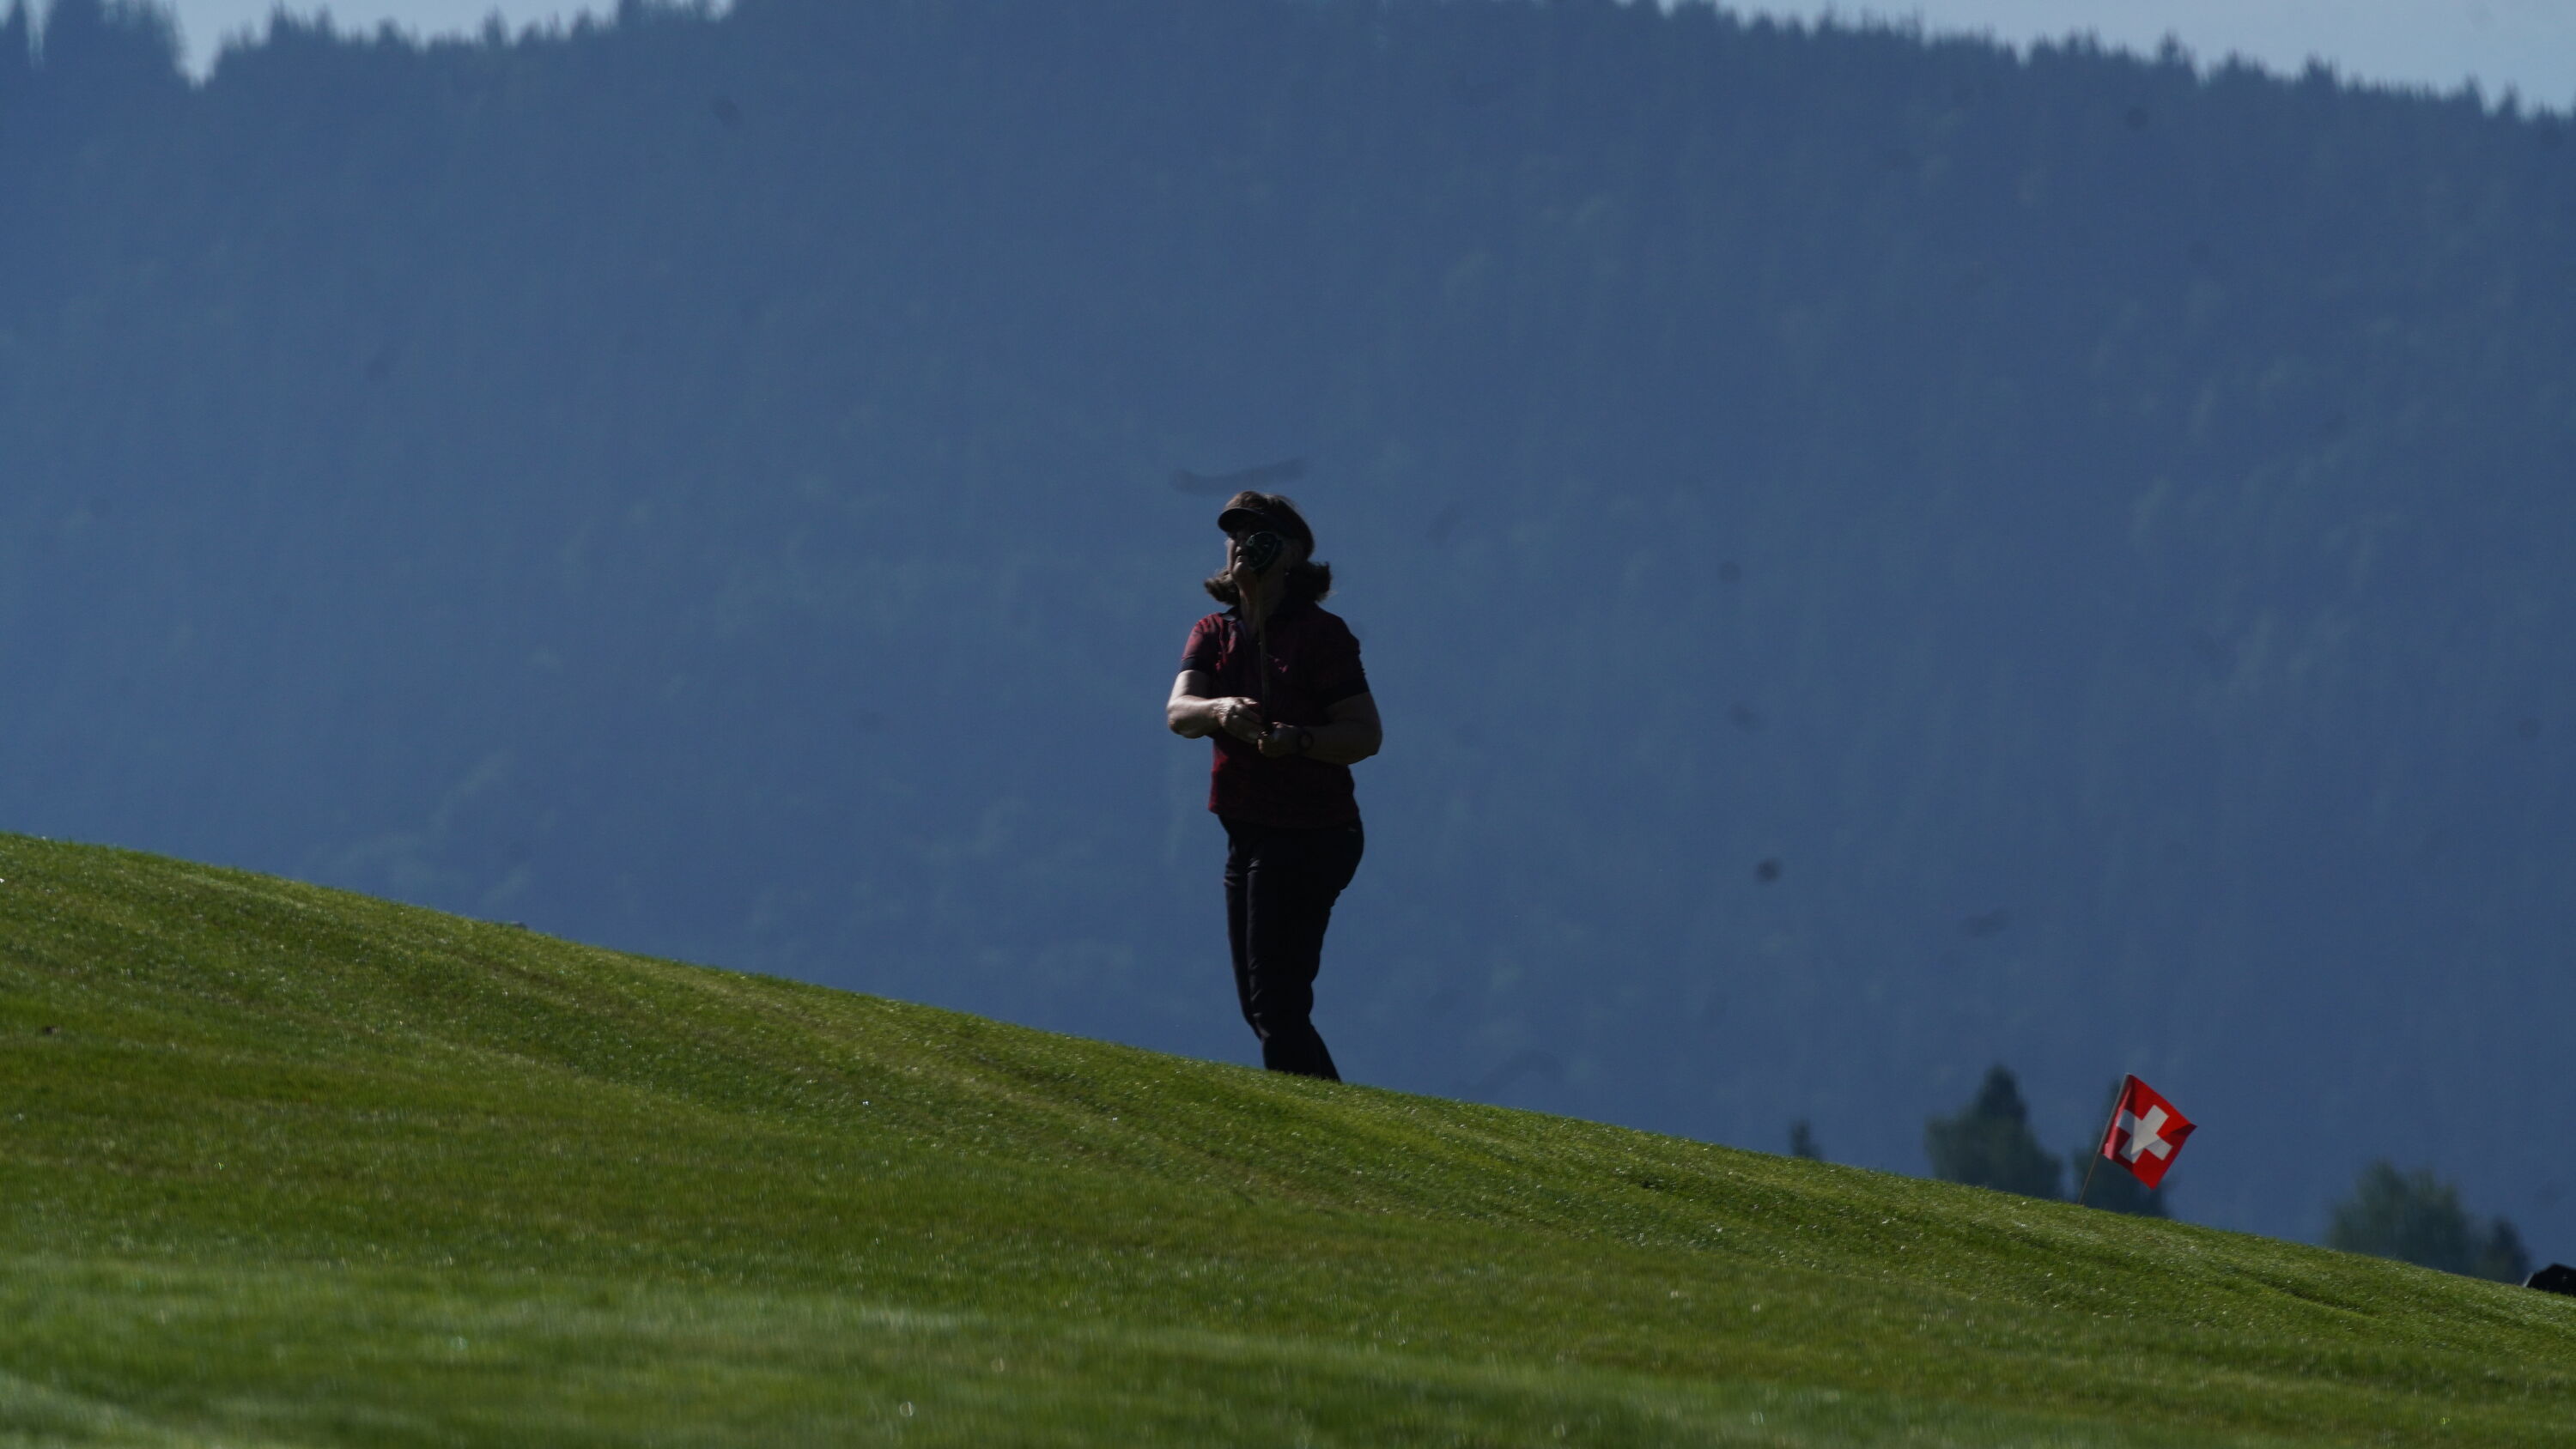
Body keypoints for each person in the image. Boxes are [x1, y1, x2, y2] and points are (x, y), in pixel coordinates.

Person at [1166, 492, 1382, 1080]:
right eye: (1234, 534)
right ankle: (1338, 1114)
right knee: (1265, 1008)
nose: (1242, 544)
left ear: (1292, 555)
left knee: (1276, 1007)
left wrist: (1299, 741)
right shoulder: (1214, 632)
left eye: (1258, 535)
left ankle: (1321, 1121)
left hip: (1312, 834)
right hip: (1249, 834)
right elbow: (1179, 712)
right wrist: (1219, 710)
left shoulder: (1320, 636)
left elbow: (1364, 734)